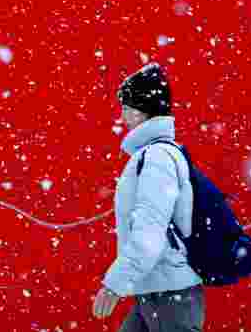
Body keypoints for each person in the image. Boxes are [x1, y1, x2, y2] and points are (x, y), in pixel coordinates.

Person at [92, 62, 205, 331]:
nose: (123, 116)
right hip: (157, 289)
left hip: (170, 295)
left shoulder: (156, 157)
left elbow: (149, 232)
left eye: (127, 108)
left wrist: (114, 285)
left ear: (142, 111)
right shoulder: (153, 155)